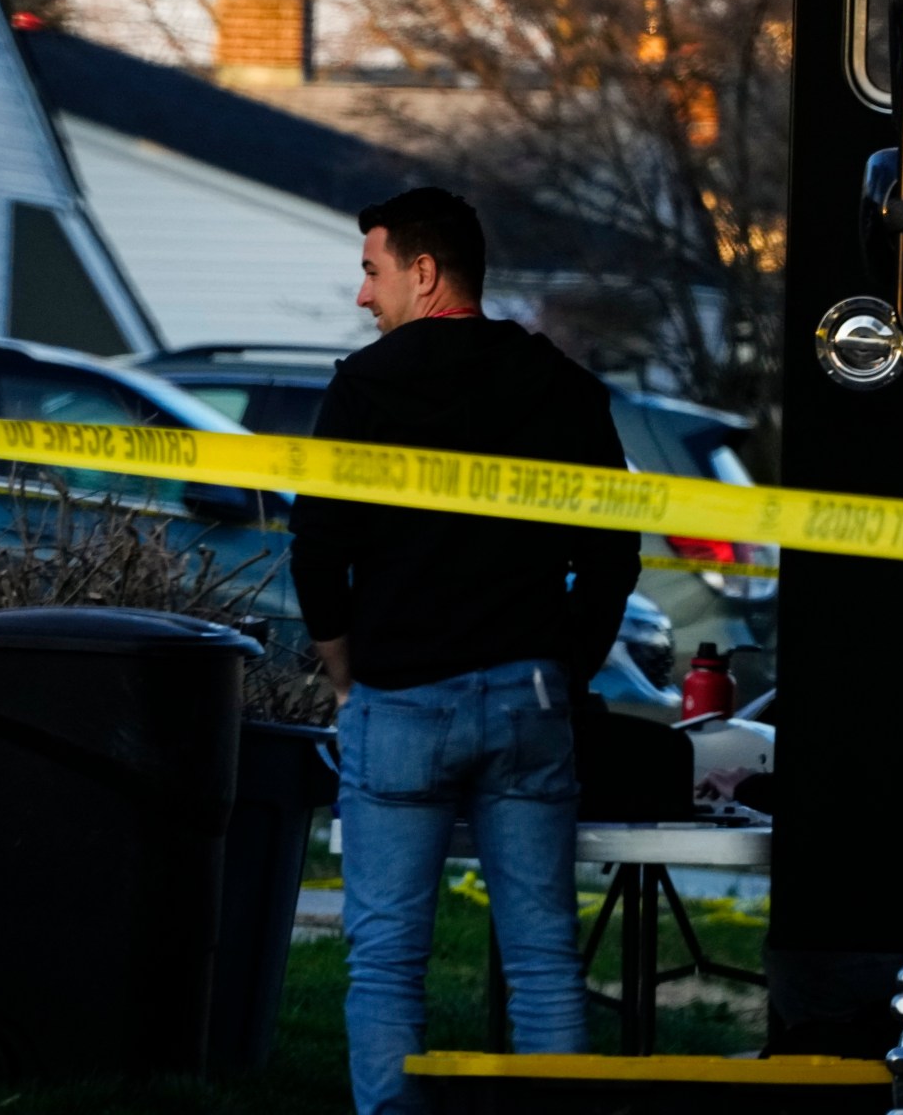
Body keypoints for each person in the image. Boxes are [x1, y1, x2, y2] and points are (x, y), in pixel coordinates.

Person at [289, 186, 639, 1115]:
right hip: (528, 699)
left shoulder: (363, 390)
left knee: (388, 962)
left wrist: (343, 672)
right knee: (544, 962)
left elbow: (316, 550)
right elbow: (615, 547)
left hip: (400, 701)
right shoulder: (560, 386)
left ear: (425, 271)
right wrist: (567, 664)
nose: (363, 297)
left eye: (372, 271)